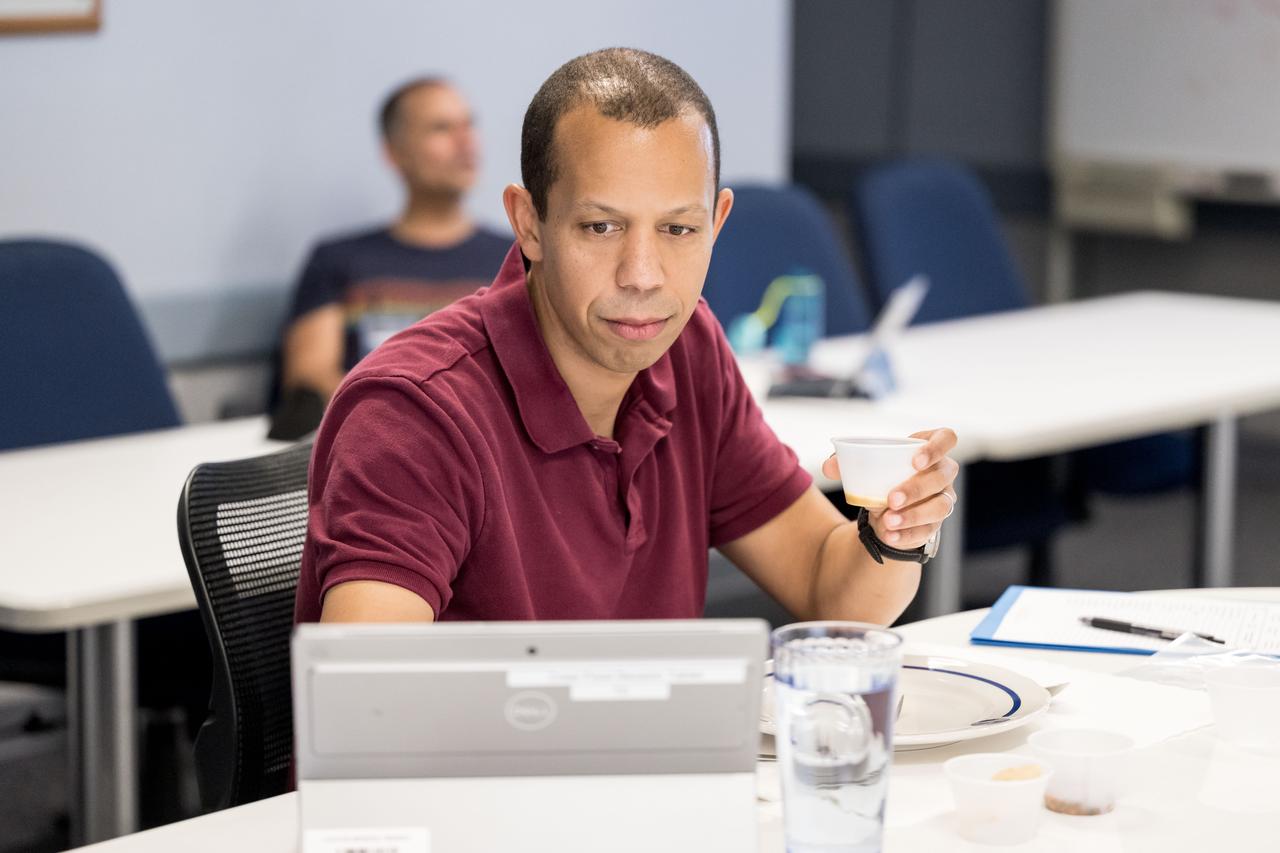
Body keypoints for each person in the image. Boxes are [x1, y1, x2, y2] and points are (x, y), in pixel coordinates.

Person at [295, 48, 959, 628]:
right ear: (529, 224)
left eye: (678, 230)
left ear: (717, 222)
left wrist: (896, 530)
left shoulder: (689, 349)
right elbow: (367, 708)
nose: (643, 276)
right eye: (601, 227)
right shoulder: (413, 412)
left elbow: (828, 584)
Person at [269, 77, 510, 439]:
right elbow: (311, 379)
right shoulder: (338, 261)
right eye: (441, 128)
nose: (466, 143)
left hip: (488, 447)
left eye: (469, 125)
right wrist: (420, 421)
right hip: (374, 444)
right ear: (395, 154)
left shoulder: (517, 258)